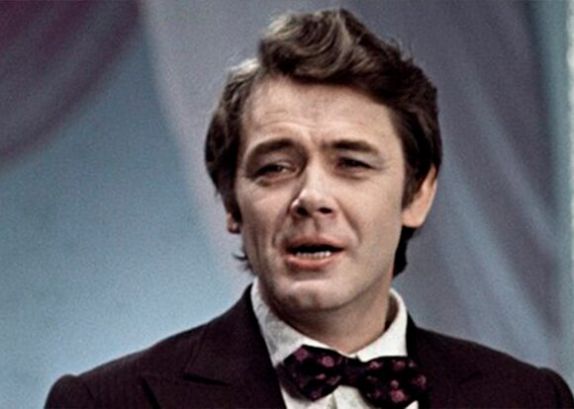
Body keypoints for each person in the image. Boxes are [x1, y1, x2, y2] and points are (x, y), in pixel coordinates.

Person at [46, 8, 574, 409]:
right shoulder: (107, 403)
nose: (312, 197)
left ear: (417, 194)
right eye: (276, 167)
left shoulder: (531, 400)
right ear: (231, 201)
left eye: (351, 163)